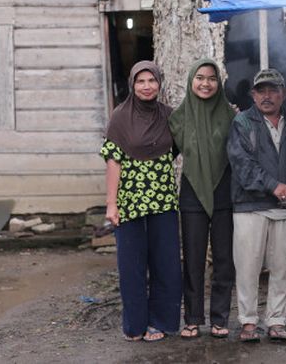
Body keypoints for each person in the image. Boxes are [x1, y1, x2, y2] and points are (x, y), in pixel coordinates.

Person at [226, 68, 286, 343]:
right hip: (250, 206)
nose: (267, 96)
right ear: (253, 95)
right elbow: (241, 165)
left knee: (281, 267)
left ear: (283, 94)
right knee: (247, 268)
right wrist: (273, 185)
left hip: (285, 208)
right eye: (261, 91)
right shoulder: (242, 123)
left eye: (273, 90)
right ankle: (248, 322)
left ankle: (276, 321)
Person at [100, 60, 181, 342]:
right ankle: (134, 325)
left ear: (160, 83)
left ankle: (161, 321)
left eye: (152, 81)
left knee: (166, 262)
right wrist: (111, 204)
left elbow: (192, 137)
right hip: (129, 200)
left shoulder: (170, 116)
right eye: (140, 81)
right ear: (133, 85)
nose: (147, 87)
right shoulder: (120, 117)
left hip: (163, 199)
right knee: (131, 265)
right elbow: (113, 162)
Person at [169, 58, 236, 339]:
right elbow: (164, 156)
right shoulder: (177, 118)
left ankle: (220, 318)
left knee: (224, 260)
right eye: (200, 77)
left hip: (224, 194)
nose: (205, 83)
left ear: (218, 83)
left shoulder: (232, 116)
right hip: (192, 195)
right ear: (190, 80)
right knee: (193, 260)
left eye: (211, 78)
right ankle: (193, 318)